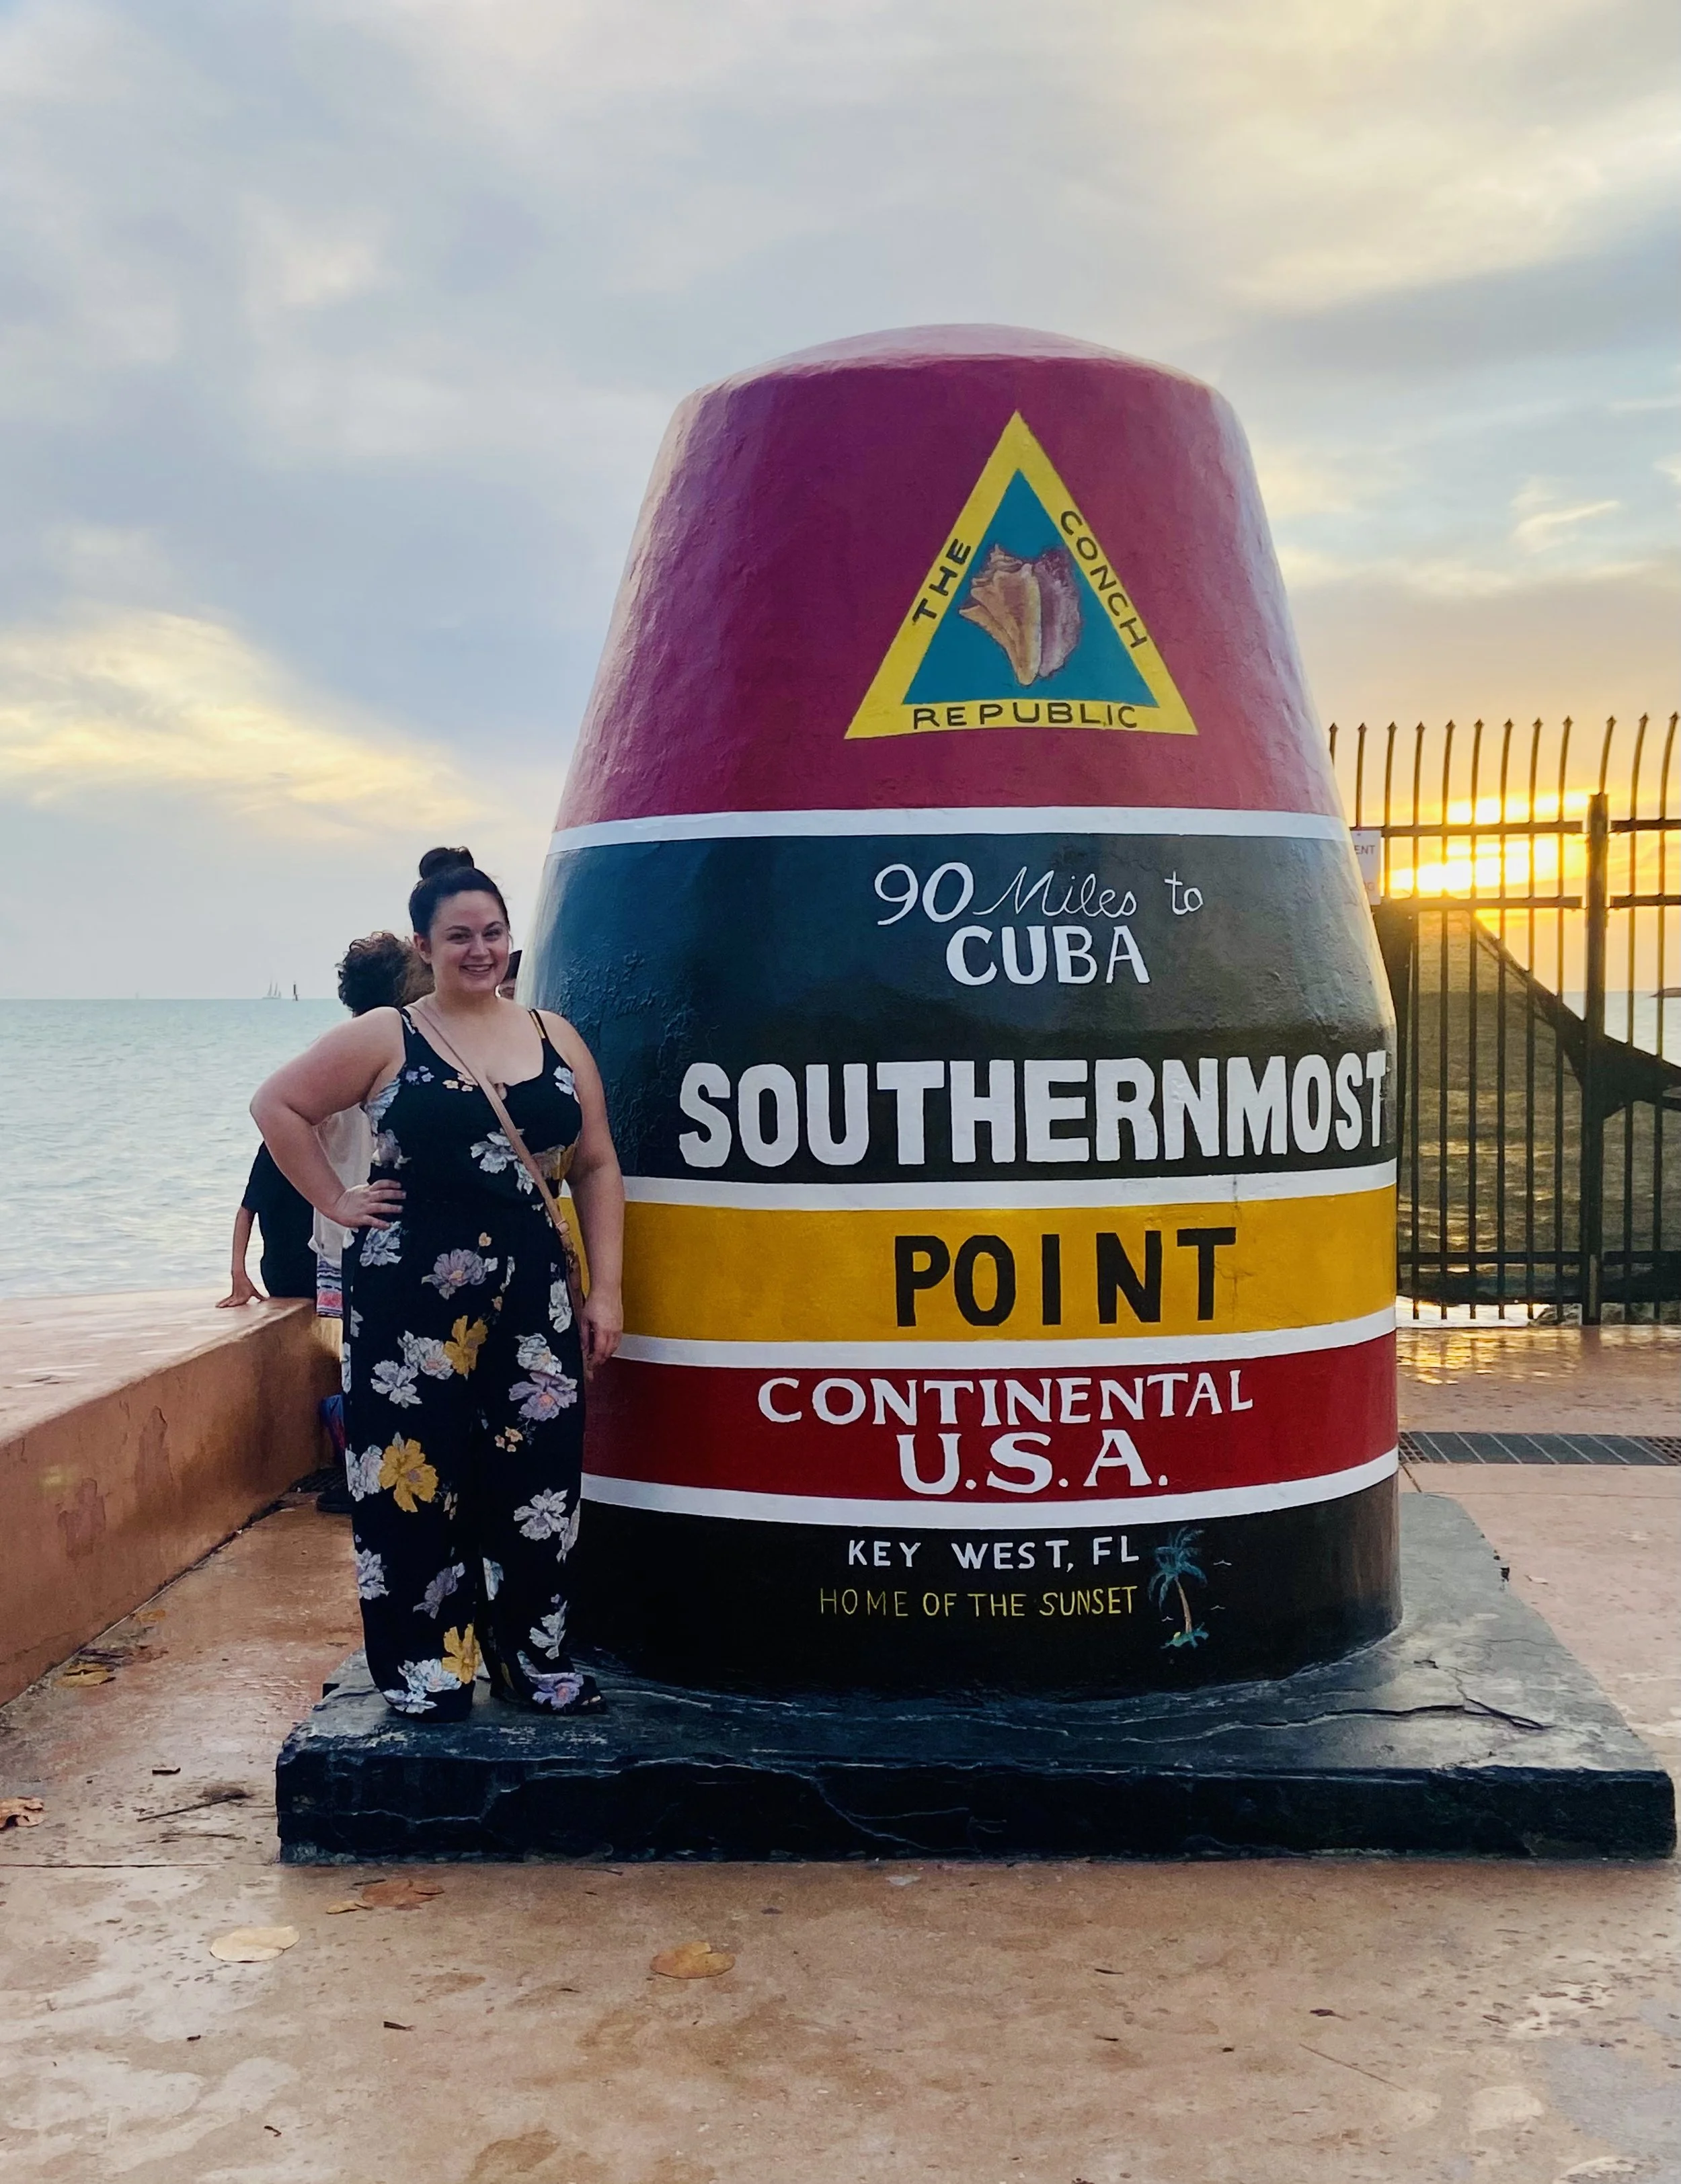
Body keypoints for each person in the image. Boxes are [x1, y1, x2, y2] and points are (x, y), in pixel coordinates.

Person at [249, 850, 624, 1719]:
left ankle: (534, 1658)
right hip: (409, 1302)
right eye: (461, 936)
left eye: (494, 933)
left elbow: (597, 1164)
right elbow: (278, 1106)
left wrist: (606, 1293)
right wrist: (336, 1198)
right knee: (413, 1479)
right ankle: (427, 1667)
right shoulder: (389, 1035)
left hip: (533, 1299)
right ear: (427, 943)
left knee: (539, 1480)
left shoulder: (555, 1035)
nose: (481, 949)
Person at [220, 1144, 314, 1305]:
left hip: (283, 1270)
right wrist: (239, 1273)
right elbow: (246, 1211)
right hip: (292, 1270)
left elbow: (246, 1211)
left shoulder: (273, 1146)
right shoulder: (274, 1148)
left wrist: (238, 1271)